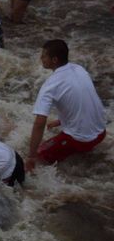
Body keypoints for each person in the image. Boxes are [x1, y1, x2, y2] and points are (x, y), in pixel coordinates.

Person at [26, 39, 106, 171]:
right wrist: (61, 120)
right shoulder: (79, 69)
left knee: (40, 156)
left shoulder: (50, 85)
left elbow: (39, 123)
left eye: (44, 55)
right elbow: (84, 99)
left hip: (80, 140)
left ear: (54, 60)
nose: (41, 58)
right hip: (101, 133)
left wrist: (31, 156)